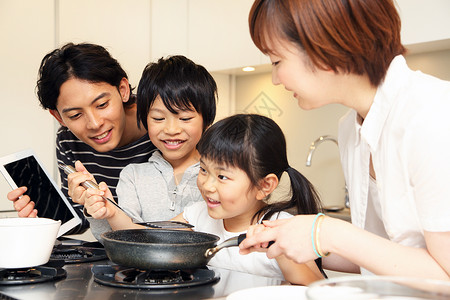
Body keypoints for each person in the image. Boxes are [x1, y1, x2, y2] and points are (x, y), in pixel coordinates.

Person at [239, 0, 450, 280]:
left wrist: (327, 231)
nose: (276, 78)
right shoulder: (351, 129)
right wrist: (295, 238)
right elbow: (385, 257)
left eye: (277, 60)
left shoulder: (432, 115)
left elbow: (445, 273)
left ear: (324, 46)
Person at [85, 113, 325, 284]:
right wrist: (111, 211)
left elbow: (315, 290)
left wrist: (283, 256)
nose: (207, 185)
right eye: (203, 170)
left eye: (222, 176)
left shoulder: (280, 230)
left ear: (264, 185)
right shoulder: (196, 216)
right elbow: (149, 243)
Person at [7, 43, 156, 234]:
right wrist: (45, 218)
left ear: (123, 89)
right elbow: (82, 220)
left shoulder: (165, 128)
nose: (94, 124)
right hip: (119, 252)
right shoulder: (68, 141)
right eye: (76, 115)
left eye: (102, 104)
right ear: (58, 117)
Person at [76, 55, 217, 240]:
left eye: (185, 118)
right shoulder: (133, 176)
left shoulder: (218, 176)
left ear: (206, 120)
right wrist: (107, 210)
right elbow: (126, 238)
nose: (171, 130)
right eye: (158, 118)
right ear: (145, 120)